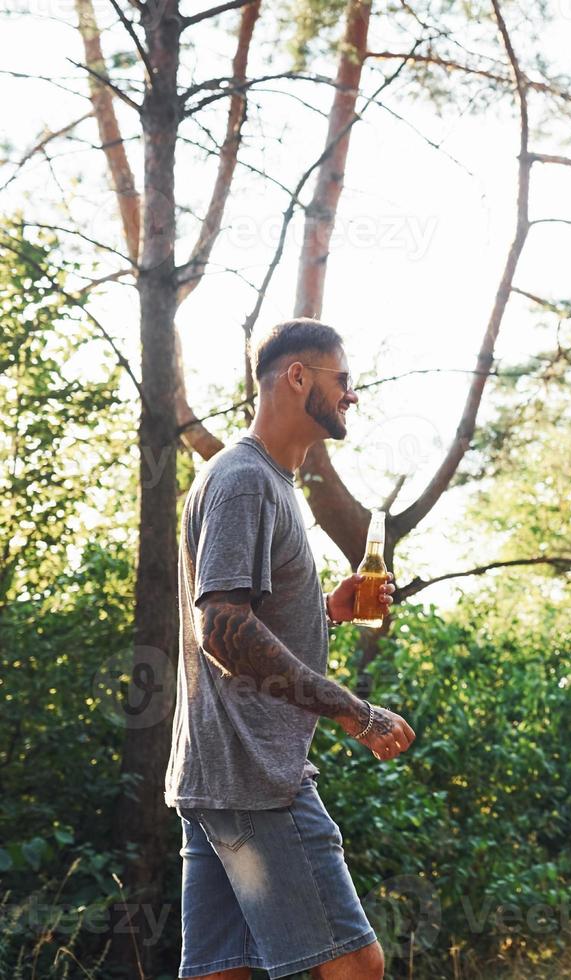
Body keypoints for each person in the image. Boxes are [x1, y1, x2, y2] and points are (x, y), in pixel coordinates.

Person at [165, 317, 416, 980]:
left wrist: (324, 612)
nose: (352, 396)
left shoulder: (266, 482)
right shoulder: (245, 479)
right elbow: (221, 628)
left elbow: (245, 618)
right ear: (297, 377)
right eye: (343, 380)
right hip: (256, 776)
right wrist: (354, 712)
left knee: (223, 972)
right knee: (356, 967)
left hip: (216, 777)